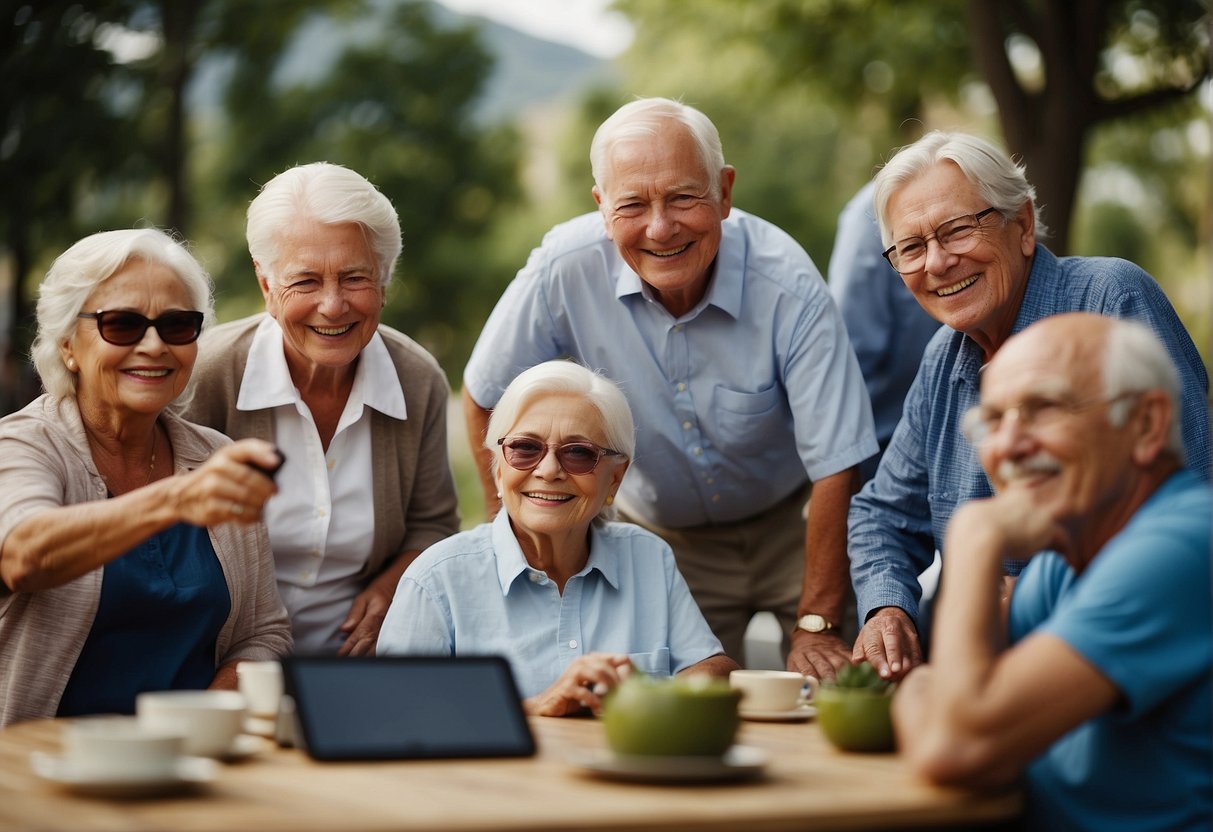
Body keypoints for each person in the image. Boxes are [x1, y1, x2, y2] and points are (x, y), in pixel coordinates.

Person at [462, 97, 877, 668]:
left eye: (684, 197)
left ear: (724, 193)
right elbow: (485, 394)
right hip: (659, 539)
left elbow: (838, 462)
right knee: (674, 709)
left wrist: (818, 624)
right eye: (632, 204)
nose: (661, 227)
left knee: (829, 684)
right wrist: (507, 532)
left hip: (797, 528)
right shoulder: (563, 268)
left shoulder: (787, 282)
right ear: (602, 207)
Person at [796, 130, 1211, 682]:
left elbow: (1189, 500)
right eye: (911, 248)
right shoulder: (944, 357)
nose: (938, 262)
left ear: (1022, 226)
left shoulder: (1111, 301)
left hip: (1124, 661)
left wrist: (1037, 591)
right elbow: (882, 514)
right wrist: (887, 607)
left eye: (957, 230)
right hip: (984, 671)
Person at [892, 313, 1210, 831]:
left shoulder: (1181, 548)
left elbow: (953, 745)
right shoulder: (1071, 555)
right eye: (992, 421)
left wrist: (975, 534)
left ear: (1146, 424)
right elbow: (967, 689)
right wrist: (938, 688)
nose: (1009, 447)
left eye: (1044, 408)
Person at [0, 228, 292, 727]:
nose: (154, 345)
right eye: (123, 324)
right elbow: (25, 555)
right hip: (44, 771)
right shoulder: (24, 443)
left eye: (178, 325)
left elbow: (263, 633)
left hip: (192, 762)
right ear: (69, 344)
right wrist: (176, 501)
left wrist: (202, 721)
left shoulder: (214, 456)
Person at [180, 162, 460, 656]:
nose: (332, 306)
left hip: (355, 668)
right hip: (218, 664)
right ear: (266, 285)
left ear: (384, 281)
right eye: (305, 281)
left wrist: (391, 585)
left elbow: (433, 525)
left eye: (355, 278)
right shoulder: (205, 377)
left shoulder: (418, 382)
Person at [379, 360, 738, 716]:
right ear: (498, 470)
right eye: (525, 448)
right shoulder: (436, 579)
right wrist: (537, 707)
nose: (549, 470)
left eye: (579, 453)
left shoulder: (647, 556)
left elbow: (715, 669)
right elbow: (394, 713)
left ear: (615, 478)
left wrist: (644, 696)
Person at [828, 180, 940, 482]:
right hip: (880, 454)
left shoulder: (867, 213)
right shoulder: (869, 215)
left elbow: (849, 348)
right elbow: (850, 351)